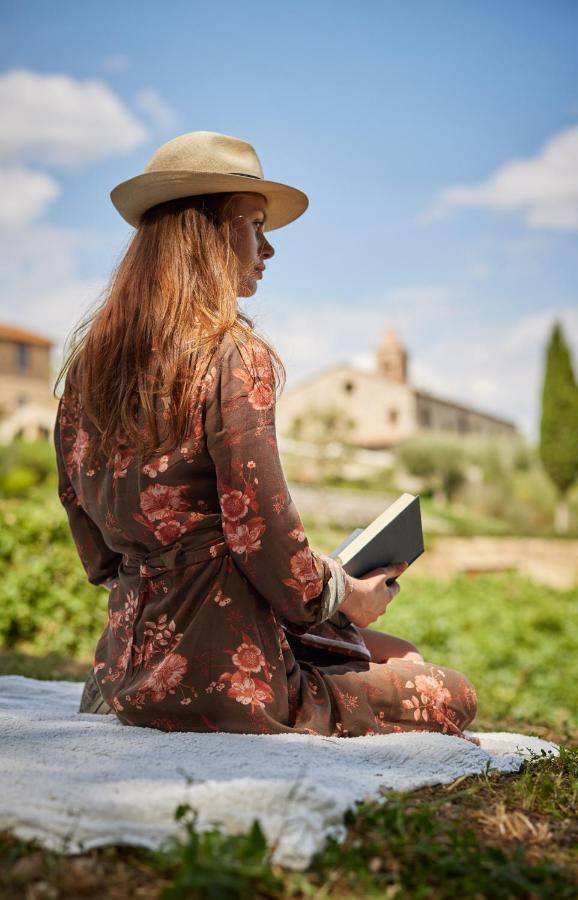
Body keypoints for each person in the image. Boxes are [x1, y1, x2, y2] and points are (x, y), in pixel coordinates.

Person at [54, 131, 477, 737]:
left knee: (393, 648)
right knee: (447, 690)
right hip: (230, 681)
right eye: (255, 224)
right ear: (207, 236)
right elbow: (259, 534)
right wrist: (345, 593)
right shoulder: (232, 354)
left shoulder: (85, 374)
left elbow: (96, 552)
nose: (269, 247)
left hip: (127, 668)